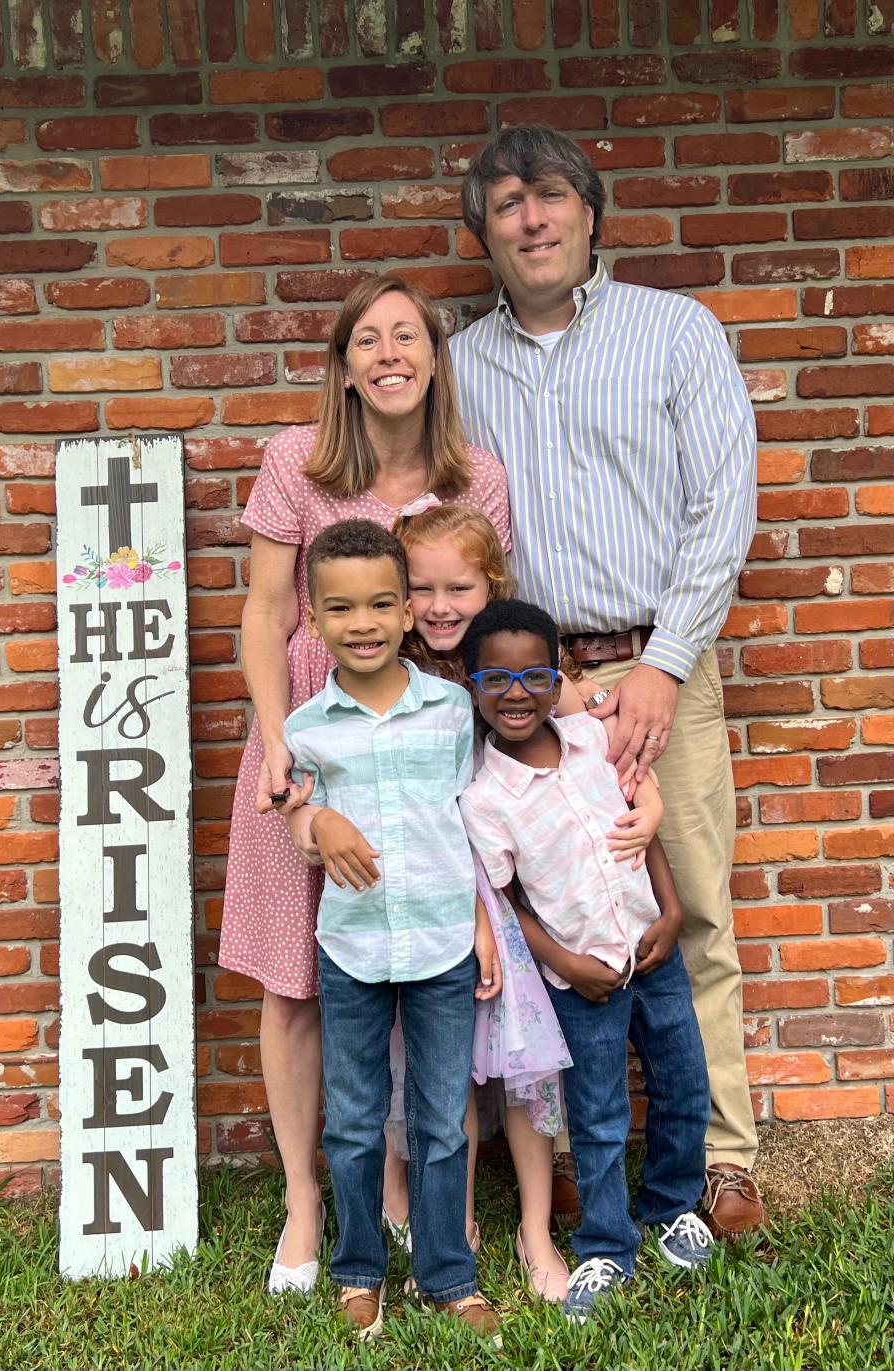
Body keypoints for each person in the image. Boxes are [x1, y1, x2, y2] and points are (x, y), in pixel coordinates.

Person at [450, 124, 765, 1238]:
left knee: (698, 918)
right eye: (505, 206)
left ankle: (724, 1162)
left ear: (590, 212)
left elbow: (722, 507)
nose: (530, 219)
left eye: (548, 197)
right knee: (552, 919)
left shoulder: (676, 333)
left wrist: (667, 665)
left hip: (657, 664)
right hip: (529, 691)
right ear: (483, 236)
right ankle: (585, 1159)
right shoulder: (458, 364)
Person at [218, 276, 510, 1294]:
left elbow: (485, 622)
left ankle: (403, 1182)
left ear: (434, 358)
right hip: (307, 726)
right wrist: (275, 747)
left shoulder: (478, 477)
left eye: (409, 336)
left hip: (421, 738)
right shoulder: (296, 461)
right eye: (367, 339)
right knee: (298, 976)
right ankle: (306, 1200)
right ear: (344, 363)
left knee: (415, 957)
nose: (390, 353)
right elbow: (263, 611)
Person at [459, 599, 715, 1322]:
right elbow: (508, 904)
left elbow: (644, 832)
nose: (517, 693)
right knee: (598, 1115)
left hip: (653, 952)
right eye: (497, 679)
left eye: (535, 675)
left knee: (684, 1083)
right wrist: (568, 963)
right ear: (471, 682)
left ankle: (672, 1205)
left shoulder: (591, 742)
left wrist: (670, 912)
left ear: (557, 677)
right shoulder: (485, 798)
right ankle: (606, 1241)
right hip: (582, 982)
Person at [283, 519, 501, 1344]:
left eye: (381, 603)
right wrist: (320, 821)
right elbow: (296, 818)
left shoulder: (450, 709)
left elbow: (467, 823)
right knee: (354, 1114)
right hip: (356, 946)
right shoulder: (308, 726)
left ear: (409, 611)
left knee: (445, 1116)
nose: (364, 622)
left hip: (443, 936)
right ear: (315, 616)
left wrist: (482, 921)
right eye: (342, 608)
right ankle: (359, 1268)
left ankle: (448, 1273)